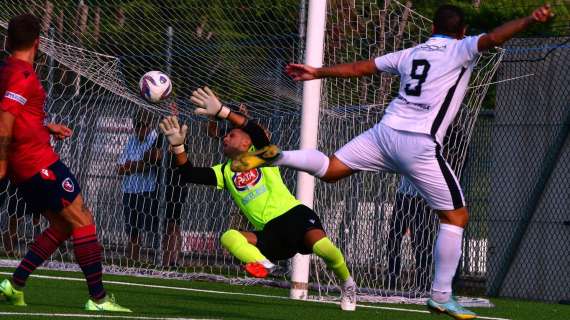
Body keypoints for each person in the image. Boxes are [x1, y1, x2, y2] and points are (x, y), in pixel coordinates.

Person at [231, 5, 553, 319]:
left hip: (383, 134)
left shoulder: (410, 53)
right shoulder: (462, 49)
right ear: (463, 32)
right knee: (455, 217)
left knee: (330, 169)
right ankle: (441, 296)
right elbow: (495, 37)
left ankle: (281, 156)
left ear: (431, 29)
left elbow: (359, 69)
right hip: (419, 144)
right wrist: (528, 19)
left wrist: (317, 72)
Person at [159, 87, 357, 311]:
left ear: (246, 144)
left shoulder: (262, 156)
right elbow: (188, 174)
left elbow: (255, 130)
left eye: (231, 134)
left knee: (325, 249)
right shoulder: (224, 171)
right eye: (225, 134)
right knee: (230, 237)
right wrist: (177, 145)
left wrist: (224, 112)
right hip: (270, 233)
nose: (225, 136)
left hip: (295, 216)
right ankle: (263, 264)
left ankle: (348, 284)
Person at [0, 14, 131, 312]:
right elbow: (4, 119)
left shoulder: (7, 69)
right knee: (83, 219)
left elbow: (16, 116)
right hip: (37, 162)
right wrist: (2, 162)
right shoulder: (22, 75)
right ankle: (98, 299)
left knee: (62, 225)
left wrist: (46, 127)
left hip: (30, 161)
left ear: (8, 40)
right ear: (38, 43)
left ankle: (15, 283)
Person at [117, 111, 162, 263]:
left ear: (150, 125)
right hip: (130, 190)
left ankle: (157, 261)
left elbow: (148, 165)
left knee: (153, 229)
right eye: (137, 126)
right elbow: (119, 169)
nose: (140, 129)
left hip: (149, 190)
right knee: (132, 229)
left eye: (143, 126)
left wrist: (132, 166)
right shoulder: (131, 140)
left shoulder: (157, 139)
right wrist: (136, 166)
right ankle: (132, 260)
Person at [386, 178, 436, 293]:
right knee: (394, 238)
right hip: (403, 196)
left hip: (424, 198)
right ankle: (392, 280)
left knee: (422, 243)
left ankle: (423, 283)